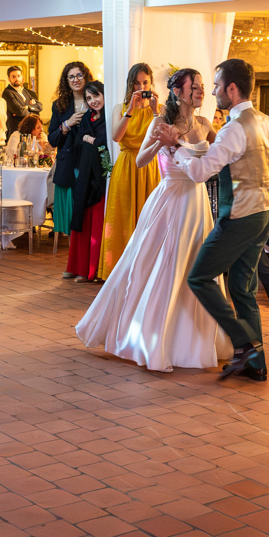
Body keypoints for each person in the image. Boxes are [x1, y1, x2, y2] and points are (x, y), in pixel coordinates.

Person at [76, 68, 230, 371]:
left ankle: (194, 340)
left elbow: (222, 155)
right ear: (178, 91)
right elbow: (139, 159)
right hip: (170, 200)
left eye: (202, 86)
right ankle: (153, 338)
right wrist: (163, 142)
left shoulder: (204, 124)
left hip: (197, 203)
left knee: (195, 265)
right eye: (195, 87)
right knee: (163, 265)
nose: (200, 91)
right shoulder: (160, 122)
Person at [171, 58, 269, 381]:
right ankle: (256, 365)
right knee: (241, 288)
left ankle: (245, 344)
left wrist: (176, 150)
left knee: (200, 277)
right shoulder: (264, 121)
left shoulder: (233, 128)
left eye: (216, 86)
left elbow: (201, 172)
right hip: (265, 212)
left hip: (241, 215)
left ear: (231, 89)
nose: (213, 92)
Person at [98, 64, 162, 279]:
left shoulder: (160, 109)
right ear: (130, 85)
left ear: (151, 84)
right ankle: (119, 271)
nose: (141, 87)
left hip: (150, 166)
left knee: (149, 218)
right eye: (137, 83)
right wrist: (130, 110)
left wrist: (155, 111)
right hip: (126, 166)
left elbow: (162, 136)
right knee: (122, 217)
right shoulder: (120, 107)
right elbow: (116, 137)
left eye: (145, 83)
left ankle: (146, 271)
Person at [47, 61, 94, 257]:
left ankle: (87, 253)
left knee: (88, 212)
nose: (76, 80)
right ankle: (73, 255)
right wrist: (67, 124)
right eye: (71, 77)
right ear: (66, 81)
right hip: (68, 165)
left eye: (79, 75)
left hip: (90, 163)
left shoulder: (95, 100)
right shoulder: (59, 106)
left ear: (86, 77)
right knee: (69, 215)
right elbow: (52, 139)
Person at [66, 82, 109, 283]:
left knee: (97, 222)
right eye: (89, 98)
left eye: (96, 96)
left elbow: (104, 143)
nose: (93, 101)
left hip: (100, 177)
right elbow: (78, 142)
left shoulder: (110, 117)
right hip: (84, 176)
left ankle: (93, 269)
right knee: (82, 220)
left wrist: (89, 139)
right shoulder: (86, 118)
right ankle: (78, 267)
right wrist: (91, 141)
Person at [3, 65, 40, 137]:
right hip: (16, 131)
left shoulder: (25, 91)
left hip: (29, 130)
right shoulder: (7, 92)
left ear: (22, 77)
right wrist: (33, 111)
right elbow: (20, 111)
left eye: (18, 76)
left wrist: (28, 107)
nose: (17, 79)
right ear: (9, 79)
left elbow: (40, 106)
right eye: (13, 77)